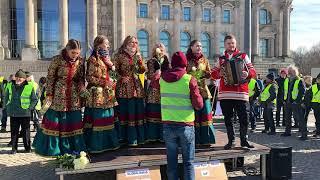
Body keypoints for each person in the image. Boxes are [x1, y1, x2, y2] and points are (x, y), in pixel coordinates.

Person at [33, 39, 87, 156]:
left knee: (74, 120)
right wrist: (49, 95)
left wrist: (82, 88)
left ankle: (74, 148)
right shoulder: (57, 60)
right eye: (73, 53)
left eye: (77, 53)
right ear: (67, 50)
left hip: (73, 95)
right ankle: (56, 148)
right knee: (57, 120)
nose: (75, 56)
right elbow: (51, 78)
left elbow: (80, 79)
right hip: (58, 93)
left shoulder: (81, 61)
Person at [161, 51, 203, 180]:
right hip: (186, 126)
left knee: (171, 164)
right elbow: (199, 104)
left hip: (168, 126)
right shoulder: (189, 79)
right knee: (188, 163)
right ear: (185, 64)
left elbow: (153, 84)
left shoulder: (162, 79)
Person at [211, 34, 256, 149]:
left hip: (241, 93)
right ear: (225, 45)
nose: (231, 45)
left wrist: (247, 74)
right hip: (226, 94)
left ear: (235, 44)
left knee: (244, 117)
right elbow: (213, 73)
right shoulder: (221, 59)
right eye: (229, 43)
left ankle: (244, 140)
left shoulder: (243, 56)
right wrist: (219, 74)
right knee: (228, 118)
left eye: (233, 43)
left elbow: (252, 71)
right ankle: (231, 140)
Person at [83, 35, 119, 153]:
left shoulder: (107, 59)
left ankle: (108, 144)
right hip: (96, 95)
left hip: (108, 94)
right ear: (99, 45)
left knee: (108, 119)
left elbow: (113, 76)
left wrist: (113, 71)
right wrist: (104, 82)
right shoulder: (93, 59)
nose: (108, 46)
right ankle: (96, 146)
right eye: (106, 43)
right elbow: (89, 77)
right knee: (98, 119)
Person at [113, 35, 146, 146]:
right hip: (124, 89)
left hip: (137, 87)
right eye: (132, 42)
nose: (134, 44)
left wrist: (140, 61)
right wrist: (121, 78)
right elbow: (113, 72)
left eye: (136, 43)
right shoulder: (119, 56)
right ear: (126, 43)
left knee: (137, 112)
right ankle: (126, 138)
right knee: (126, 113)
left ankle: (139, 138)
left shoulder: (138, 56)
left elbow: (142, 71)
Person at [186, 40, 216, 146]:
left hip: (203, 91)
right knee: (194, 116)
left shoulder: (205, 60)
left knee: (206, 115)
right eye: (197, 46)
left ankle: (207, 139)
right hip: (191, 91)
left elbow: (209, 73)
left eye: (201, 46)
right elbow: (183, 74)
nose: (199, 48)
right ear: (191, 47)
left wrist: (205, 73)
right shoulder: (187, 60)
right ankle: (195, 140)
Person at [4, 69, 38, 154]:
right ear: (15, 77)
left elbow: (34, 99)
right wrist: (7, 107)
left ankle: (27, 148)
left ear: (24, 79)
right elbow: (6, 97)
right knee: (14, 132)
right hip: (13, 113)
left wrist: (30, 108)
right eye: (17, 77)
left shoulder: (29, 86)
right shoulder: (9, 85)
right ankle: (14, 149)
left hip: (25, 113)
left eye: (21, 77)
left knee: (26, 132)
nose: (18, 79)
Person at [145, 43, 170, 142]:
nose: (160, 50)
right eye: (157, 48)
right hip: (154, 90)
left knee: (163, 113)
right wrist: (156, 72)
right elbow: (150, 75)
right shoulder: (151, 61)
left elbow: (169, 72)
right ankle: (152, 136)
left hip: (165, 89)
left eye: (161, 48)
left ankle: (163, 136)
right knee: (154, 112)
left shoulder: (167, 60)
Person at [281, 65, 306, 137]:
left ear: (295, 72)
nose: (288, 73)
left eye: (290, 71)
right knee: (287, 118)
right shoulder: (287, 80)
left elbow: (302, 92)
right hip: (288, 102)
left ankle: (304, 134)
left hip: (296, 103)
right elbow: (284, 91)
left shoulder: (299, 80)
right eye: (288, 71)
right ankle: (287, 132)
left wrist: (297, 101)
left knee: (300, 118)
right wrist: (284, 100)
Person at [300, 75, 313, 140]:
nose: (310, 81)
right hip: (304, 105)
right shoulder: (304, 86)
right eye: (308, 80)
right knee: (303, 119)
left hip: (307, 106)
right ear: (305, 80)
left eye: (310, 80)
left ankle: (304, 133)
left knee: (304, 119)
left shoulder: (311, 87)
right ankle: (303, 132)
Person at [311, 73, 320, 138]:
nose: (318, 80)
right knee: (317, 120)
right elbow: (310, 96)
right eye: (318, 79)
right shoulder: (313, 86)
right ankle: (318, 131)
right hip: (315, 105)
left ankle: (318, 132)